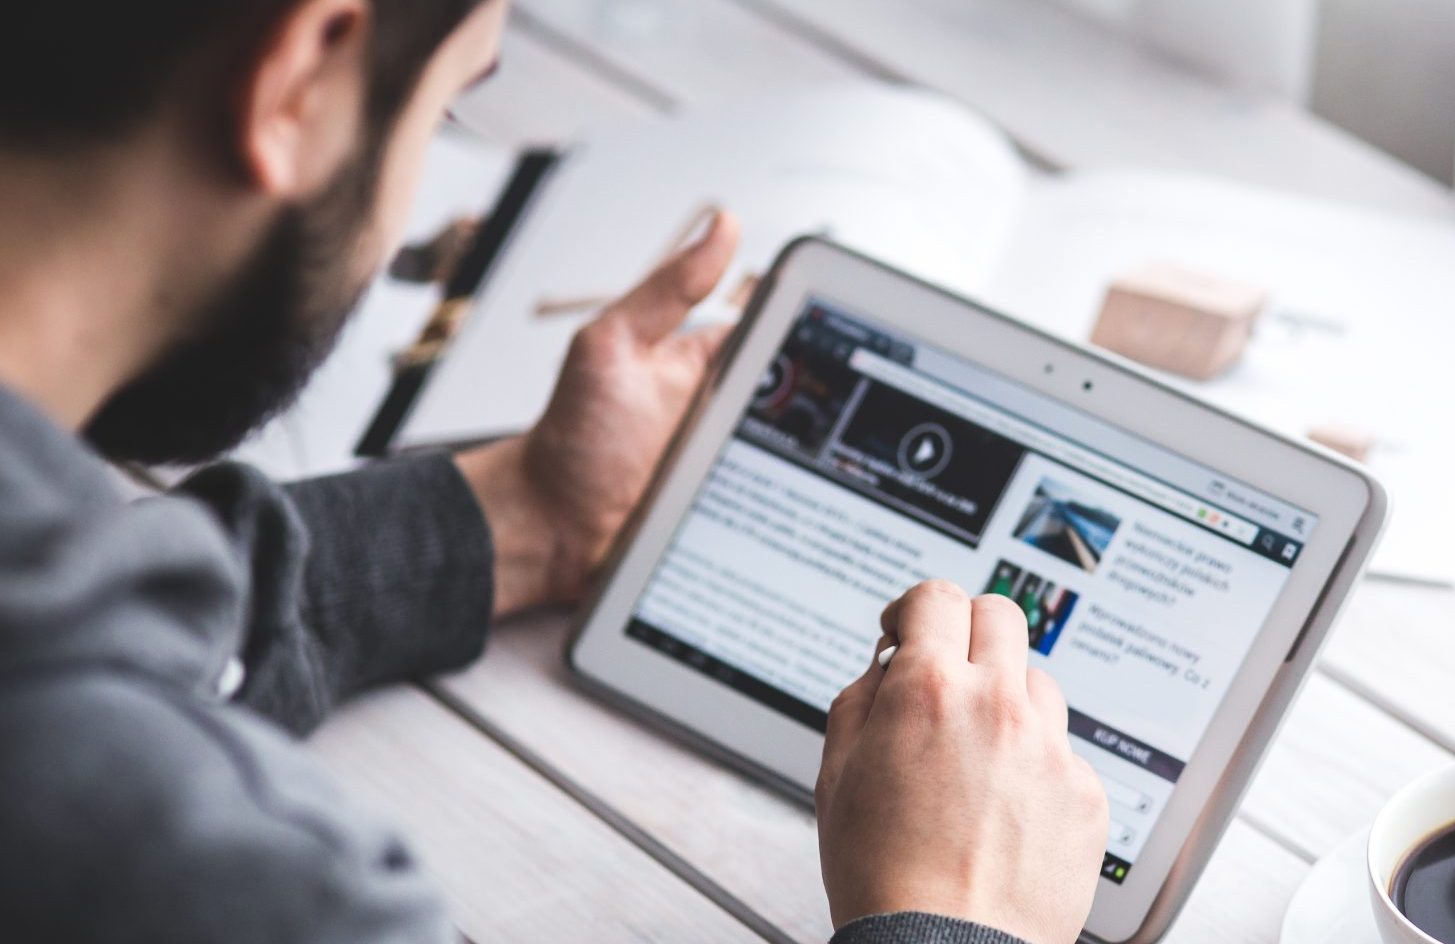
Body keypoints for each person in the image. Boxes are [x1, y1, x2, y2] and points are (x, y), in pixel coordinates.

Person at [0, 2, 1109, 942]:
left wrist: (522, 515)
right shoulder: (262, 888)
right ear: (299, 78)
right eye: (442, 109)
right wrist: (953, 914)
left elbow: (74, 610)